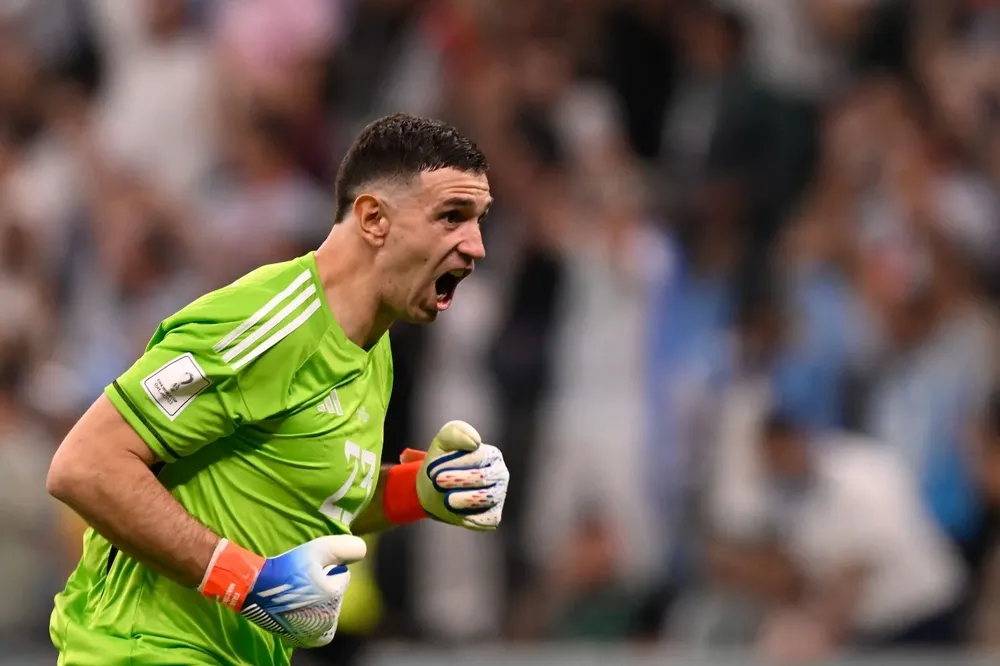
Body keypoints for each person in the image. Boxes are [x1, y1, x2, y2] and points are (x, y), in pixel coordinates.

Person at [46, 113, 510, 666]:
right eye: (452, 217)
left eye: (478, 220)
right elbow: (86, 464)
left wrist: (419, 491)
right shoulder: (272, 322)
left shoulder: (373, 347)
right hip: (142, 651)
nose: (476, 246)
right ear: (373, 219)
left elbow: (296, 499)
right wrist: (248, 581)